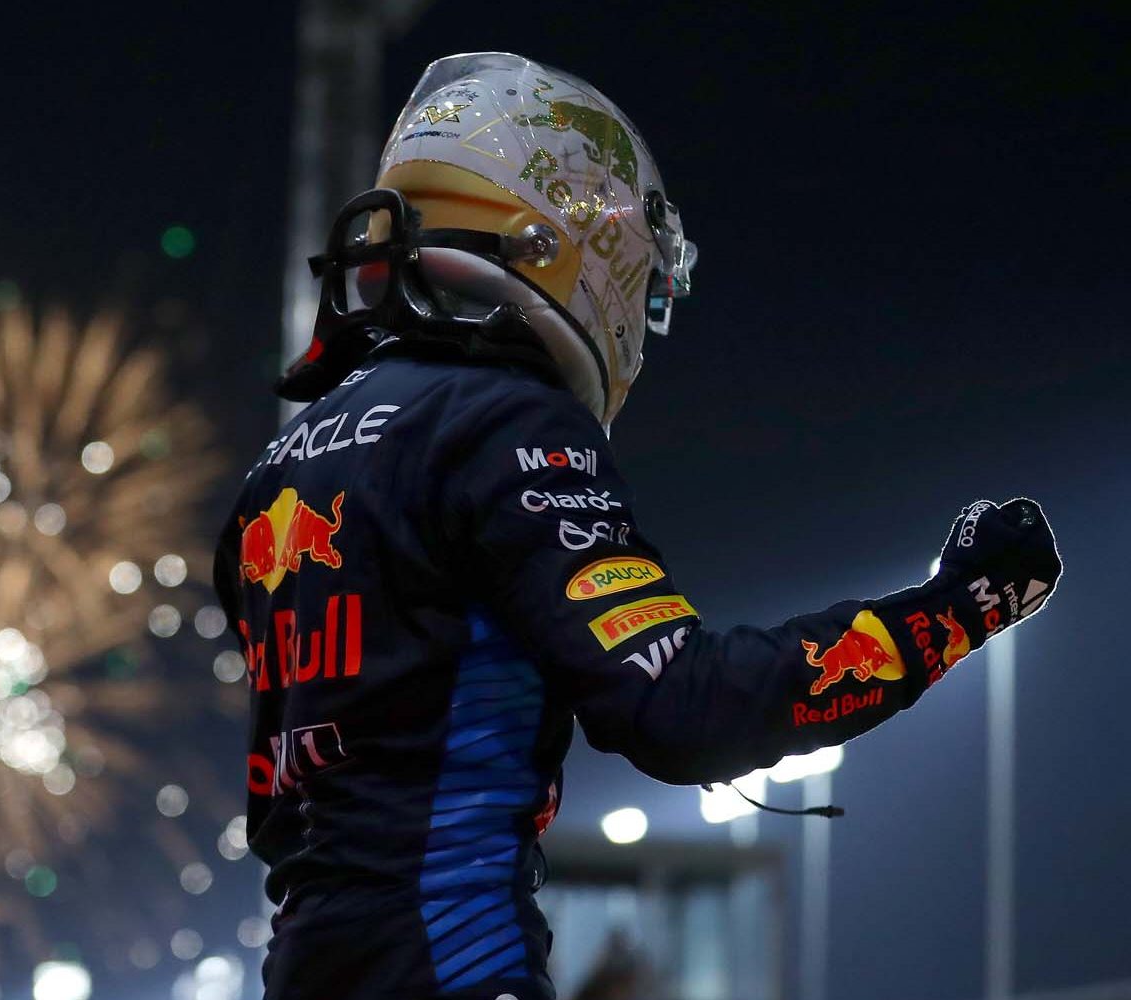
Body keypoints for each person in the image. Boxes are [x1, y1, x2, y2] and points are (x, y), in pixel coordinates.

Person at [212, 52, 1062, 1000]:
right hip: (453, 971)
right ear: (561, 232)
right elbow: (682, 706)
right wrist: (957, 609)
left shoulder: (282, 467)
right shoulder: (503, 421)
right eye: (644, 288)